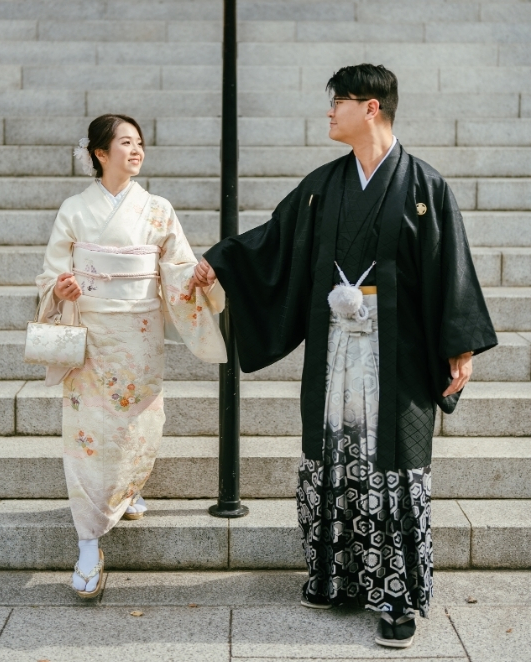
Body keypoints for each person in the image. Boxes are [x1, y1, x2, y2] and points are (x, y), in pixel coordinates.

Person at [194, 64, 496, 649]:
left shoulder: (424, 186)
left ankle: (397, 597)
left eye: (339, 102)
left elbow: (449, 269)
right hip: (335, 348)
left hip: (397, 353)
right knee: (332, 452)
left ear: (372, 108)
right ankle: (334, 577)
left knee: (390, 464)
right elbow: (273, 243)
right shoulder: (321, 186)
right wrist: (221, 262)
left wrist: (460, 343)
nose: (330, 111)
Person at [35, 114, 226, 599]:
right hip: (92, 335)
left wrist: (200, 279)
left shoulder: (157, 208)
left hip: (139, 334)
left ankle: (126, 487)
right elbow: (52, 274)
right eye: (126, 143)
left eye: (140, 143)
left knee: (139, 423)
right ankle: (87, 539)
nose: (136, 151)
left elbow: (179, 267)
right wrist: (63, 286)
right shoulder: (75, 209)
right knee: (89, 433)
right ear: (100, 153)